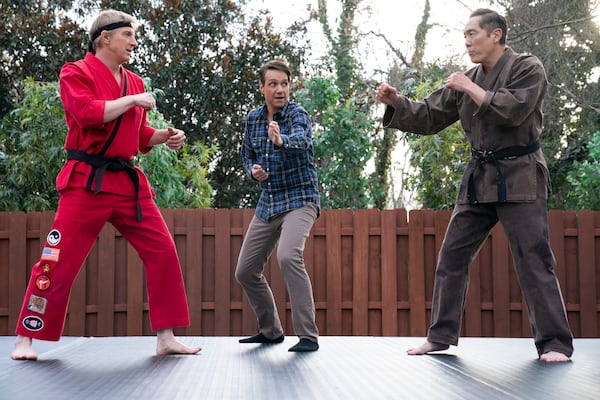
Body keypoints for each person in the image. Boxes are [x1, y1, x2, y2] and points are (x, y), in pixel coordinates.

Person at [376, 9, 573, 362]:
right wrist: (396, 103)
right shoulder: (466, 78)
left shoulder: (528, 68)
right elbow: (429, 116)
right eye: (464, 35)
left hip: (521, 175)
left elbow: (516, 110)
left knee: (533, 259)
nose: (466, 41)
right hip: (480, 177)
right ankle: (440, 336)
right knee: (452, 255)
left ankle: (555, 343)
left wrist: (471, 87)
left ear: (495, 34)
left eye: (472, 34)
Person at [11, 9, 201, 360]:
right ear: (105, 37)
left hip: (127, 184)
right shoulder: (75, 72)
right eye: (128, 35)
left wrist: (164, 136)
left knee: (163, 251)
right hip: (86, 181)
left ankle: (166, 336)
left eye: (134, 36)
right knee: (57, 258)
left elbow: (135, 132)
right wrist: (131, 101)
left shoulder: (136, 83)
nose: (134, 42)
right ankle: (26, 336)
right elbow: (86, 113)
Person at [235, 59, 321, 352]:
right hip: (269, 200)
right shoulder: (253, 119)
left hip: (300, 198)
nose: (280, 89)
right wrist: (253, 171)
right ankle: (271, 330)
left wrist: (281, 139)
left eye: (284, 83)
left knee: (287, 256)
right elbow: (247, 155)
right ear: (262, 87)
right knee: (245, 271)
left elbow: (302, 139)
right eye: (273, 84)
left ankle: (308, 335)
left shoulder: (298, 114)